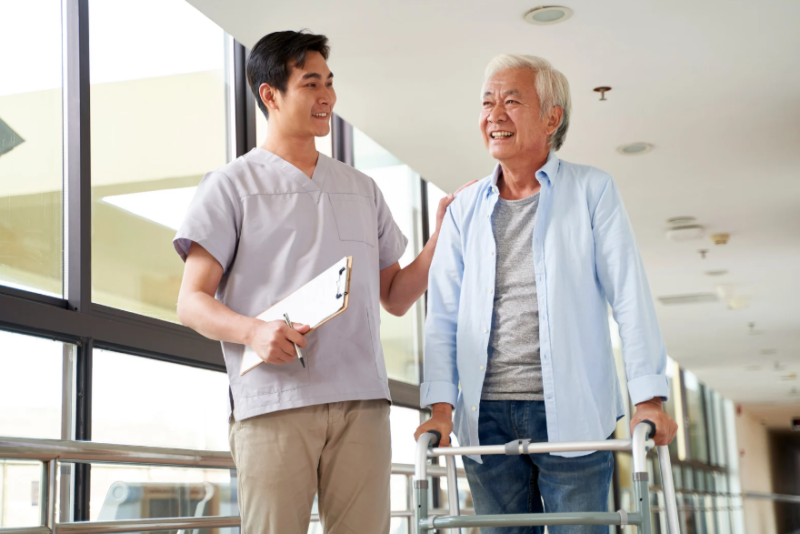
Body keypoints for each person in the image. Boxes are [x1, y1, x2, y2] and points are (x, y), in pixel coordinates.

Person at [174, 30, 470, 534]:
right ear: (270, 94)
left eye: (329, 83)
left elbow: (396, 296)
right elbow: (191, 302)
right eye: (311, 84)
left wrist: (440, 239)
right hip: (274, 404)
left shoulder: (362, 188)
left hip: (362, 404)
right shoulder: (230, 187)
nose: (327, 96)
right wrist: (253, 332)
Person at [414, 54, 678, 533]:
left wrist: (649, 398)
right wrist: (439, 409)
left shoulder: (592, 191)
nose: (494, 114)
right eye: (487, 102)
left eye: (512, 101)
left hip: (573, 412)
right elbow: (444, 317)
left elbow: (629, 297)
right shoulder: (464, 209)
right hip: (485, 419)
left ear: (551, 118)